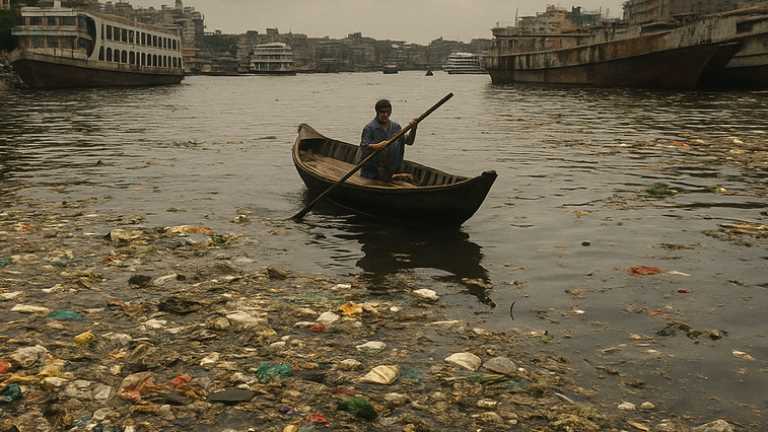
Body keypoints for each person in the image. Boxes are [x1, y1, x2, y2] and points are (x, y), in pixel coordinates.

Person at [359, 99, 417, 182]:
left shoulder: (396, 127)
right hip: (371, 173)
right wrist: (377, 146)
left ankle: (393, 175)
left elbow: (410, 142)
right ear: (377, 112)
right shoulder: (370, 128)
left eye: (388, 112)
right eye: (382, 112)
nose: (385, 115)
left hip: (391, 171)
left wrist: (414, 129)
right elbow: (363, 147)